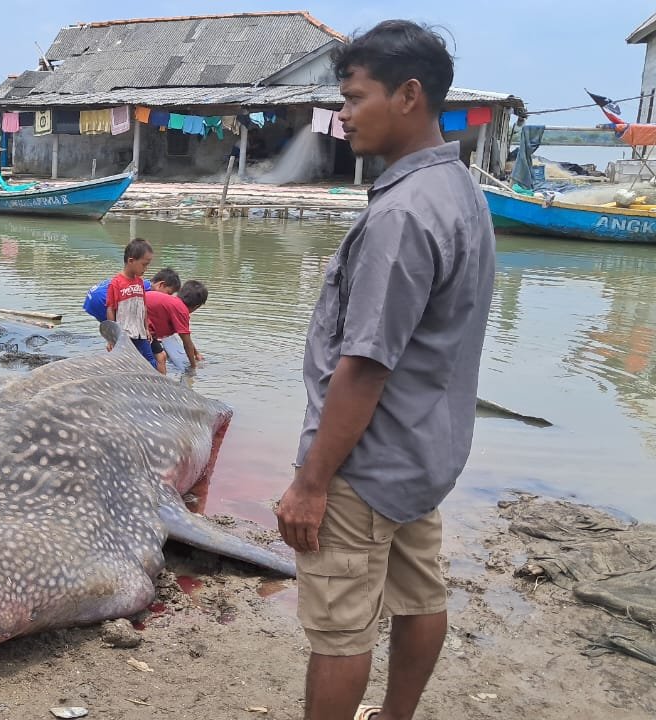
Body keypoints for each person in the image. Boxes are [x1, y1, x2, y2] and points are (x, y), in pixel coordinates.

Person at [272, 20, 495, 720]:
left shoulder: (402, 214)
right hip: (423, 449)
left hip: (363, 463)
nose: (342, 116)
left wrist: (311, 483)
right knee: (420, 593)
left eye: (354, 97)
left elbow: (365, 366)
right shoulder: (461, 191)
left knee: (340, 628)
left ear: (408, 96)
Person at [104, 238, 157, 368]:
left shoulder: (140, 282)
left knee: (150, 363)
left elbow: (143, 307)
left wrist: (146, 328)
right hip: (125, 334)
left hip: (140, 333)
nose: (146, 268)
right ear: (131, 261)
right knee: (125, 365)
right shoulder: (116, 283)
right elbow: (111, 309)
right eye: (144, 264)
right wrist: (111, 337)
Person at [147, 279, 207, 375]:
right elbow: (186, 342)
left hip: (139, 324)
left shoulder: (174, 303)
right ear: (196, 306)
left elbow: (186, 336)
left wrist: (196, 353)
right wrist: (193, 366)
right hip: (141, 328)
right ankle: (162, 382)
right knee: (161, 358)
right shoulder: (181, 310)